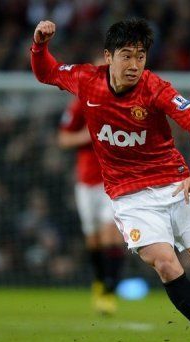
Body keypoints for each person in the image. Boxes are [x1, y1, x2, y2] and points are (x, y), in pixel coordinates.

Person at [31, 18, 190, 342]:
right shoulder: (87, 80)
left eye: (140, 56)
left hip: (175, 186)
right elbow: (46, 72)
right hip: (130, 197)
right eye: (126, 56)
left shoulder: (156, 88)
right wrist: (39, 45)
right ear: (107, 57)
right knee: (166, 264)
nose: (134, 65)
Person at [58, 96, 125, 315]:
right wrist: (87, 136)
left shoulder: (123, 103)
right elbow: (63, 139)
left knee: (110, 232)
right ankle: (99, 281)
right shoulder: (79, 105)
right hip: (86, 184)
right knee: (93, 239)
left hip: (113, 181)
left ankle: (109, 290)